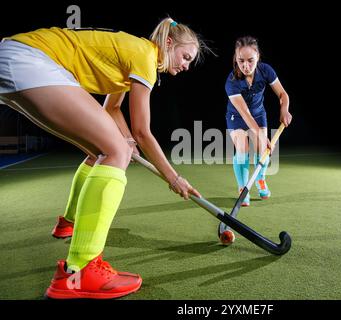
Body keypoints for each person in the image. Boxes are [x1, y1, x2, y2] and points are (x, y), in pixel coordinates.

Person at [0, 17, 206, 299]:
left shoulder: (132, 54)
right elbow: (143, 132)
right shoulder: (146, 56)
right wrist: (174, 178)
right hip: (32, 61)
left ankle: (68, 223)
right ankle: (80, 271)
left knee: (102, 150)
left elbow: (113, 110)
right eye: (185, 57)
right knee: (115, 152)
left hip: (15, 57)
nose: (185, 65)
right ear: (168, 43)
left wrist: (127, 141)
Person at [225, 36, 292, 206]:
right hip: (238, 116)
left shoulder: (266, 71)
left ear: (258, 57)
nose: (246, 66)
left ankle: (260, 180)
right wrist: (262, 135)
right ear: (235, 58)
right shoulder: (231, 82)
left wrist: (284, 110)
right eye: (241, 61)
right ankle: (243, 188)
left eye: (250, 61)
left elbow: (283, 95)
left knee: (263, 149)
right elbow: (245, 114)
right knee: (242, 147)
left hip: (258, 114)